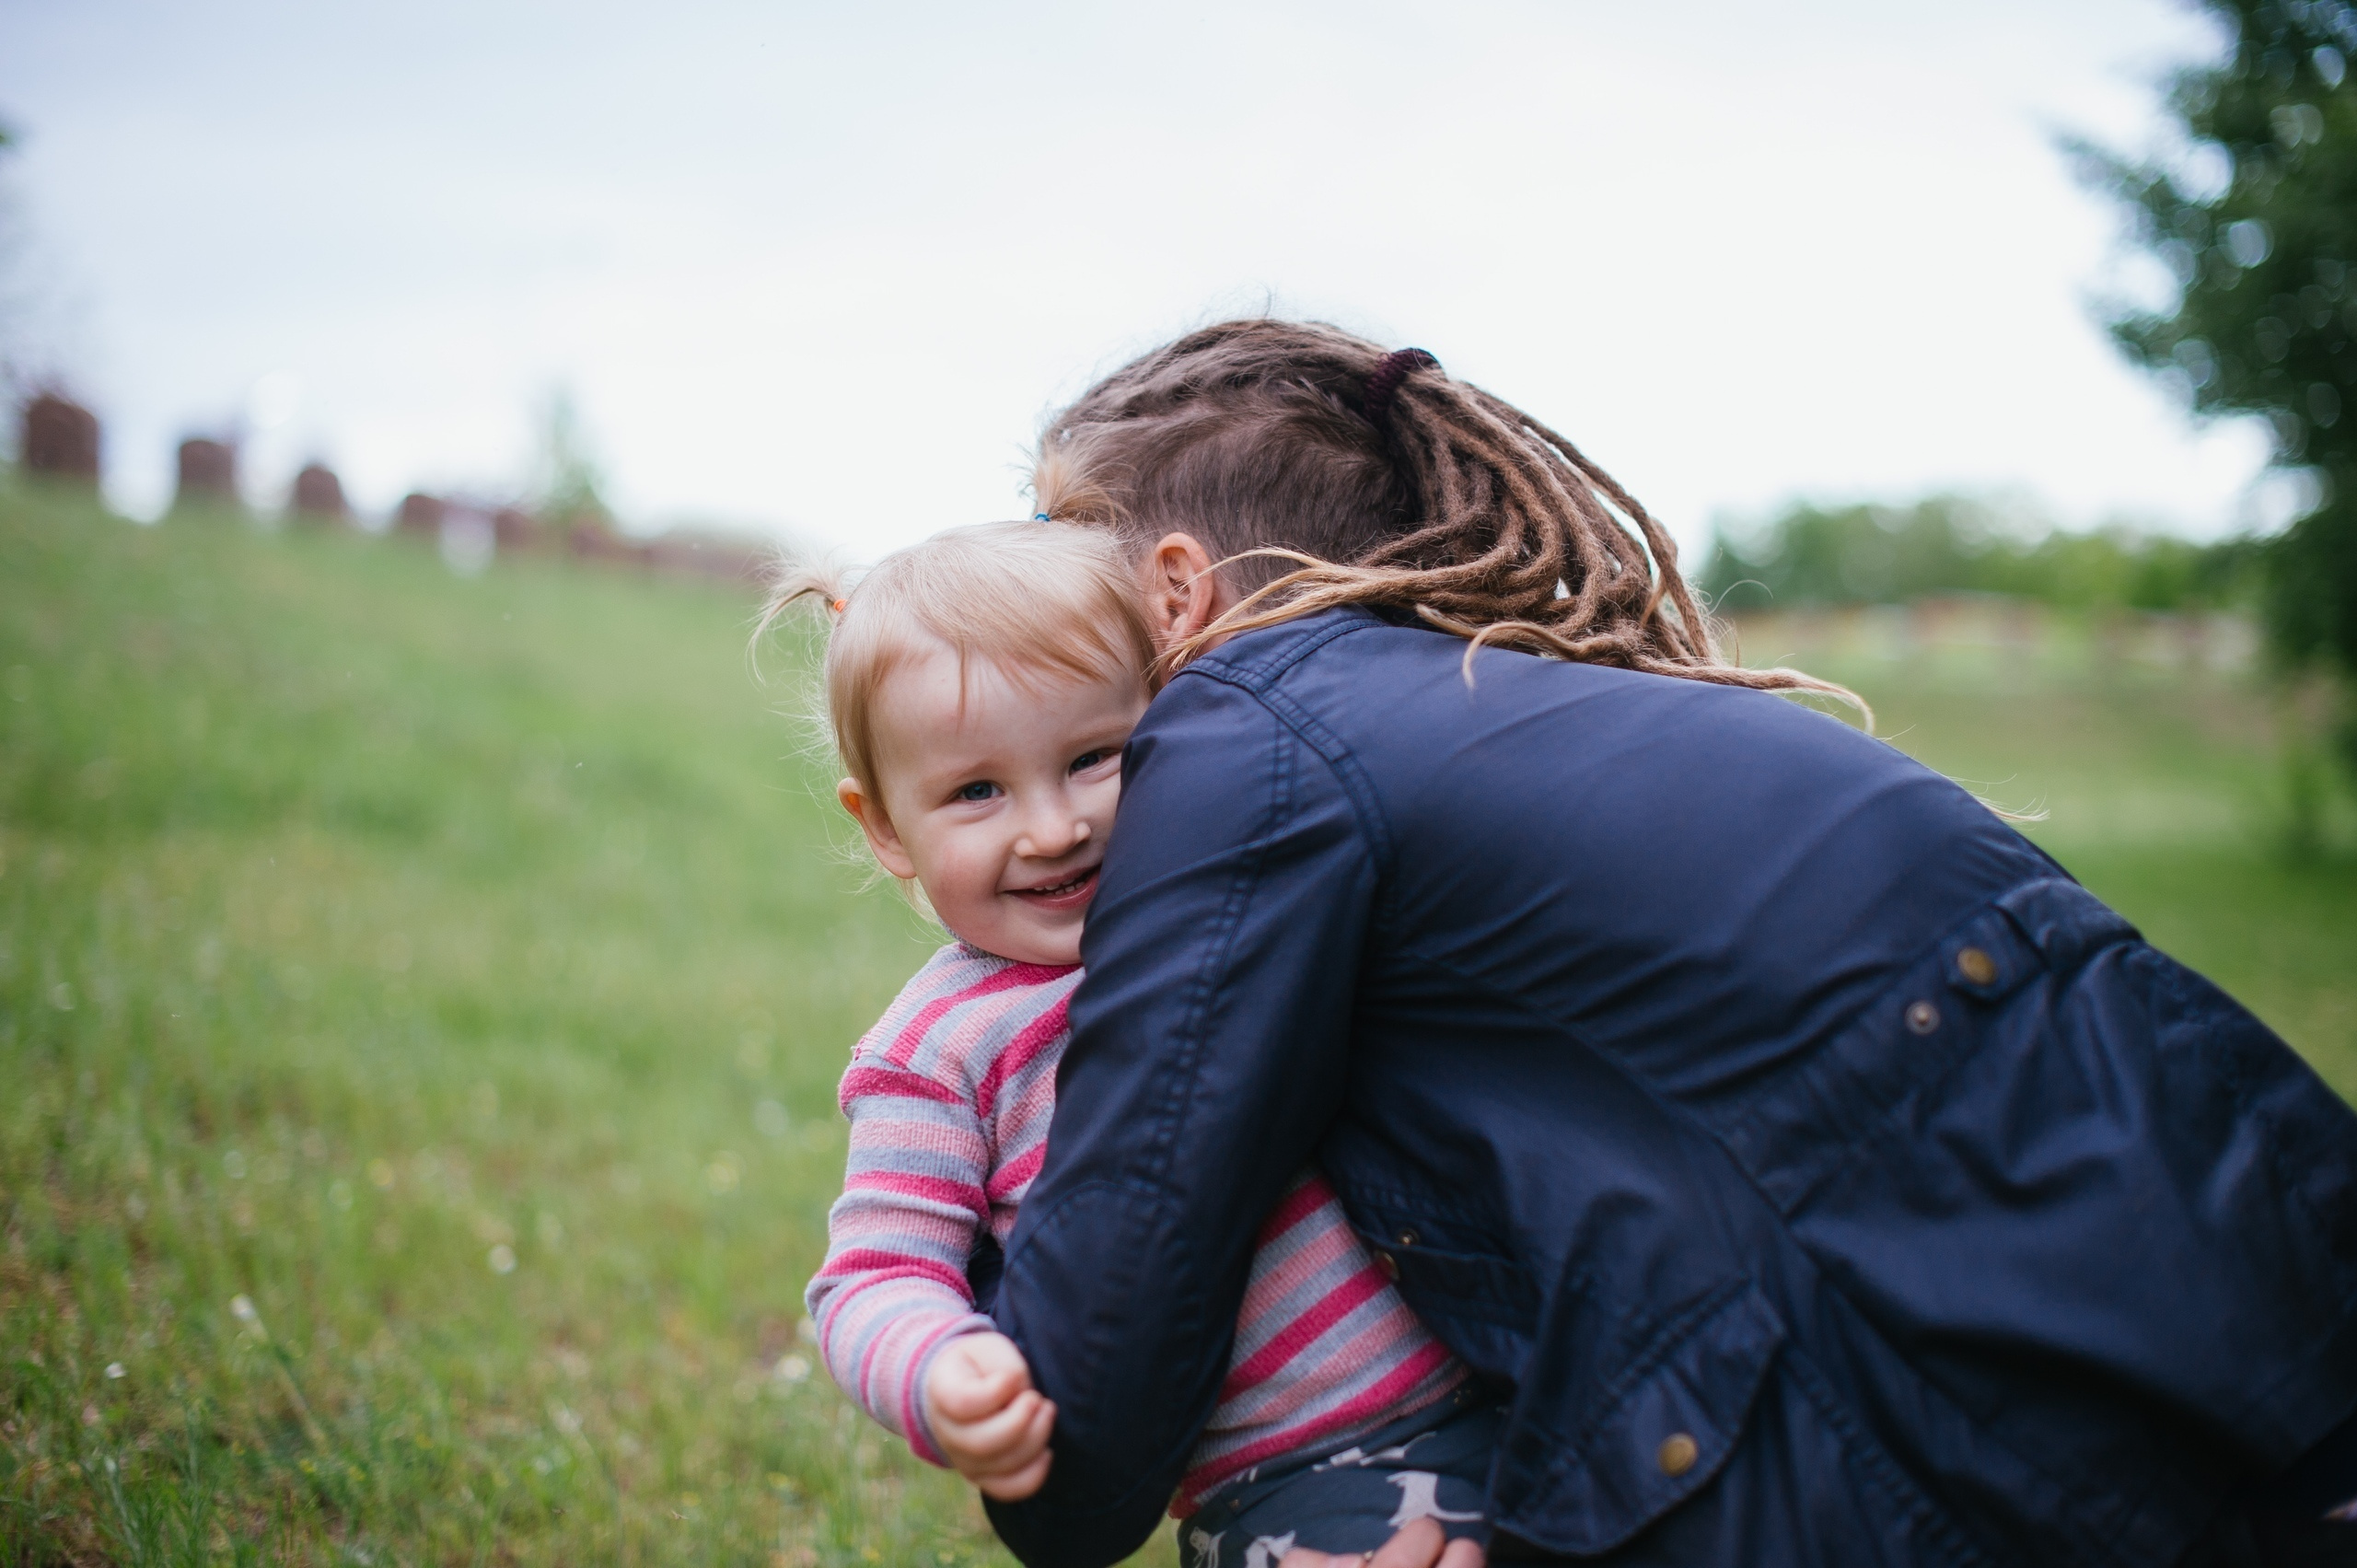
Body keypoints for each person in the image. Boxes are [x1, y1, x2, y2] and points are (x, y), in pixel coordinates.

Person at [977, 319, 2357, 1568]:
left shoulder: (1239, 721)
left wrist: (1015, 1417)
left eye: (1048, 537)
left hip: (1922, 1334)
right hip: (2227, 1226)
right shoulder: (1521, 707)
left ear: (1176, 589)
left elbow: (1099, 1365)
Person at [771, 520, 1492, 1567]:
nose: (1053, 826)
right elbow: (872, 1273)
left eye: (1093, 756)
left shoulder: (1231, 903)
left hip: (1491, 1376)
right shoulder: (939, 1049)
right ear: (884, 826)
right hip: (1288, 1476)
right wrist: (939, 1367)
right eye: (978, 790)